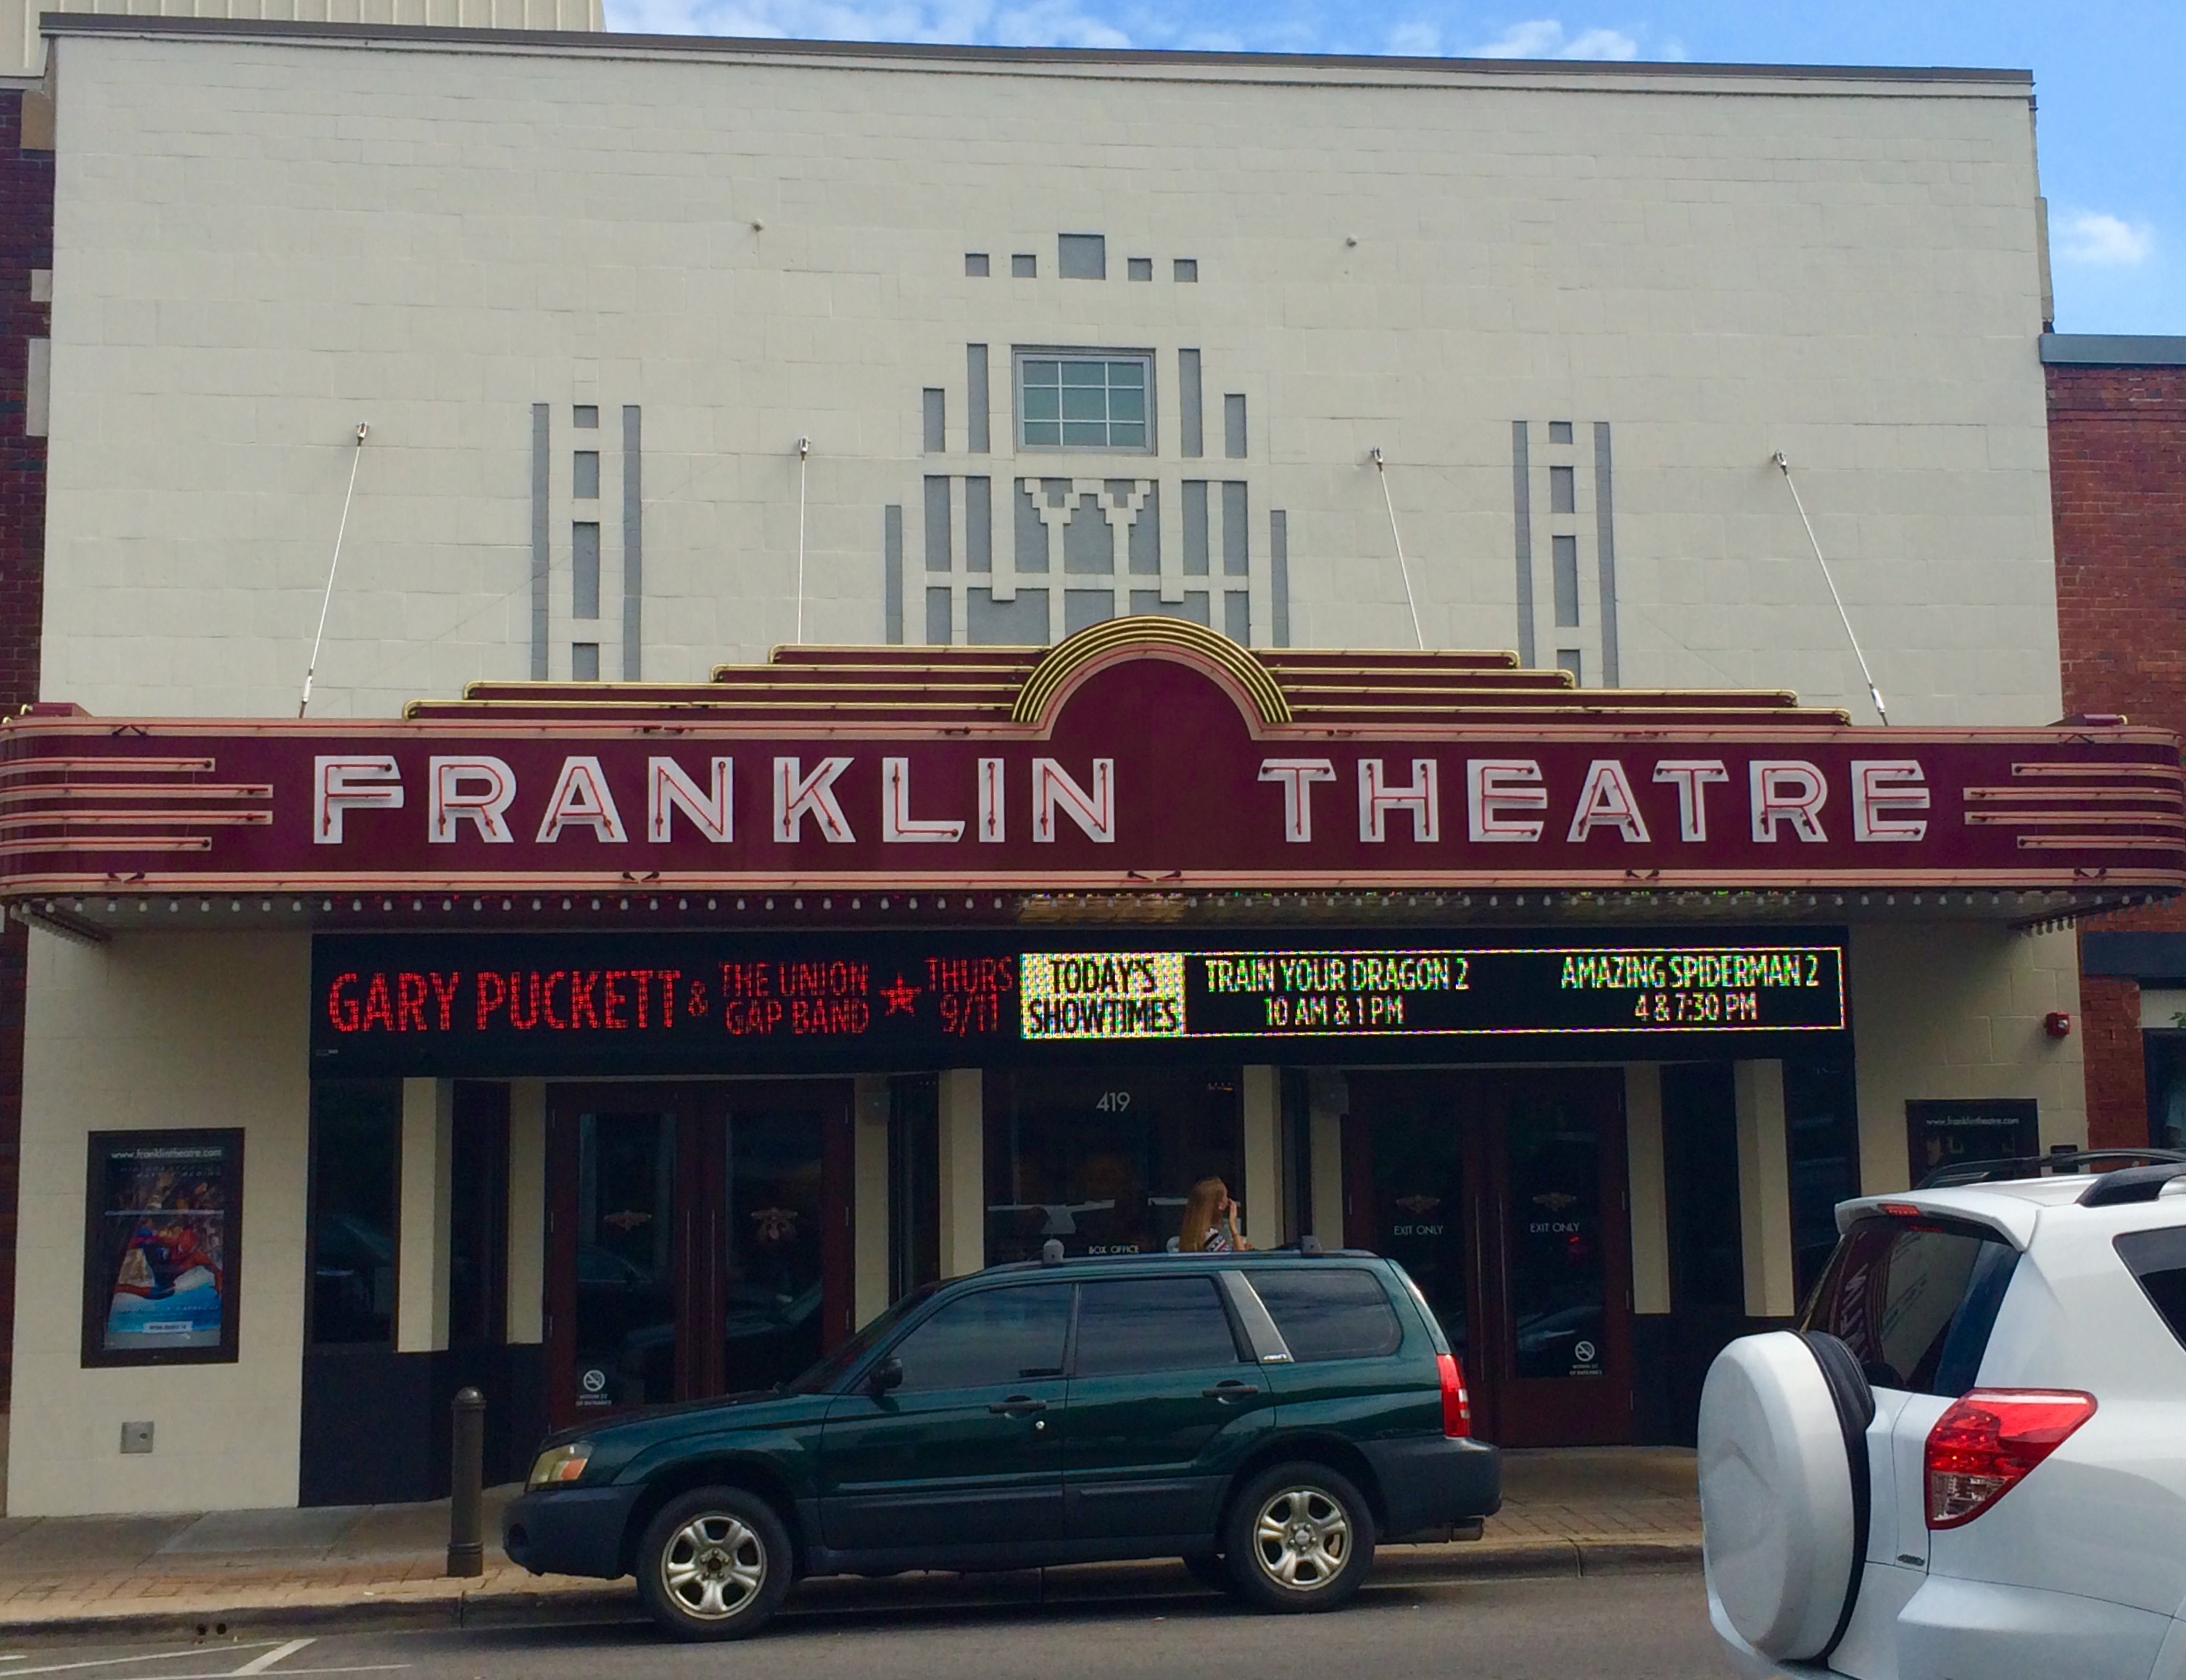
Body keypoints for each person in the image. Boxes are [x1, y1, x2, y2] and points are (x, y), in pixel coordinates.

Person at [1180, 1176, 1249, 1252]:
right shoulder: (1211, 1237)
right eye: (1226, 1196)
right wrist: (1233, 1225)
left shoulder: (1195, 1233)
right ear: (1220, 1205)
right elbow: (1239, 1261)